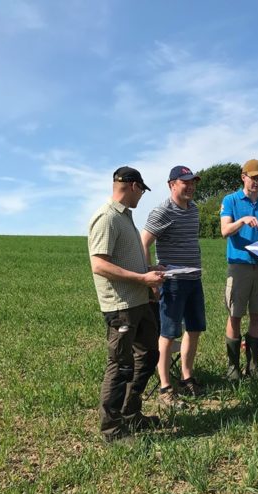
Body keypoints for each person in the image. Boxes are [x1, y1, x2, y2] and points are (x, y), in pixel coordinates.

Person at [88, 166, 166, 442]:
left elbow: (125, 260)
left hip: (139, 300)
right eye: (142, 190)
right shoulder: (107, 218)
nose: (142, 196)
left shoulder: (126, 219)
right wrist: (141, 278)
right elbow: (99, 264)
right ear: (133, 186)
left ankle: (131, 414)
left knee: (147, 356)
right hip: (120, 305)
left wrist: (149, 270)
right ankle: (112, 429)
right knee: (120, 365)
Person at [141, 166, 206, 409]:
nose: (190, 186)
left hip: (194, 279)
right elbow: (144, 241)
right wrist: (150, 275)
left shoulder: (194, 209)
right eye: (184, 182)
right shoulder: (162, 211)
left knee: (195, 329)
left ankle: (187, 377)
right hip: (173, 282)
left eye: (192, 182)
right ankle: (165, 386)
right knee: (168, 333)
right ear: (171, 185)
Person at [220, 159, 258, 381]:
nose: (257, 182)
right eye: (253, 177)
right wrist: (242, 220)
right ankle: (233, 367)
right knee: (235, 315)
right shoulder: (231, 200)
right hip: (239, 265)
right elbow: (225, 231)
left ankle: (253, 365)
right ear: (243, 177)